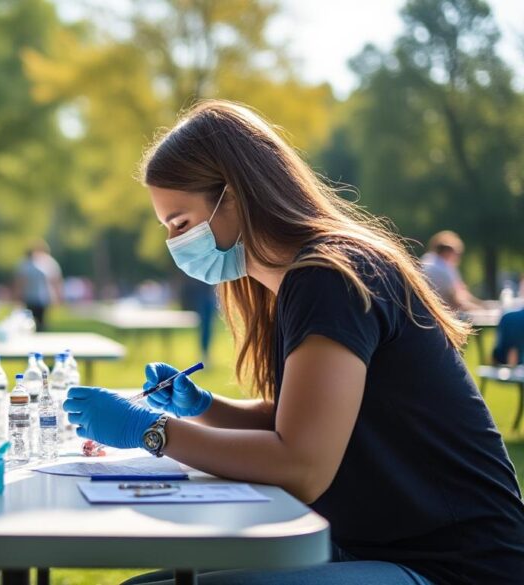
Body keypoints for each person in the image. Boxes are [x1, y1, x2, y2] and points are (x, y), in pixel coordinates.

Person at [64, 101, 524, 585]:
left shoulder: (329, 276)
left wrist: (150, 430)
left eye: (180, 224)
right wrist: (203, 406)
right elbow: (304, 424)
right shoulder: (297, 282)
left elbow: (302, 467)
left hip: (459, 566)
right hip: (378, 548)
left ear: (234, 197)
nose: (175, 244)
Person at [420, 230, 479, 311]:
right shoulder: (441, 269)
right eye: (457, 253)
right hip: (439, 312)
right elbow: (456, 300)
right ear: (448, 251)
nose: (458, 257)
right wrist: (479, 308)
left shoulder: (427, 260)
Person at [14, 241, 62, 331]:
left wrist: (57, 296)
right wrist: (18, 296)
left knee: (41, 322)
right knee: (29, 321)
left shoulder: (49, 263)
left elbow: (55, 281)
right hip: (29, 297)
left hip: (43, 298)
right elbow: (21, 282)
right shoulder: (26, 264)